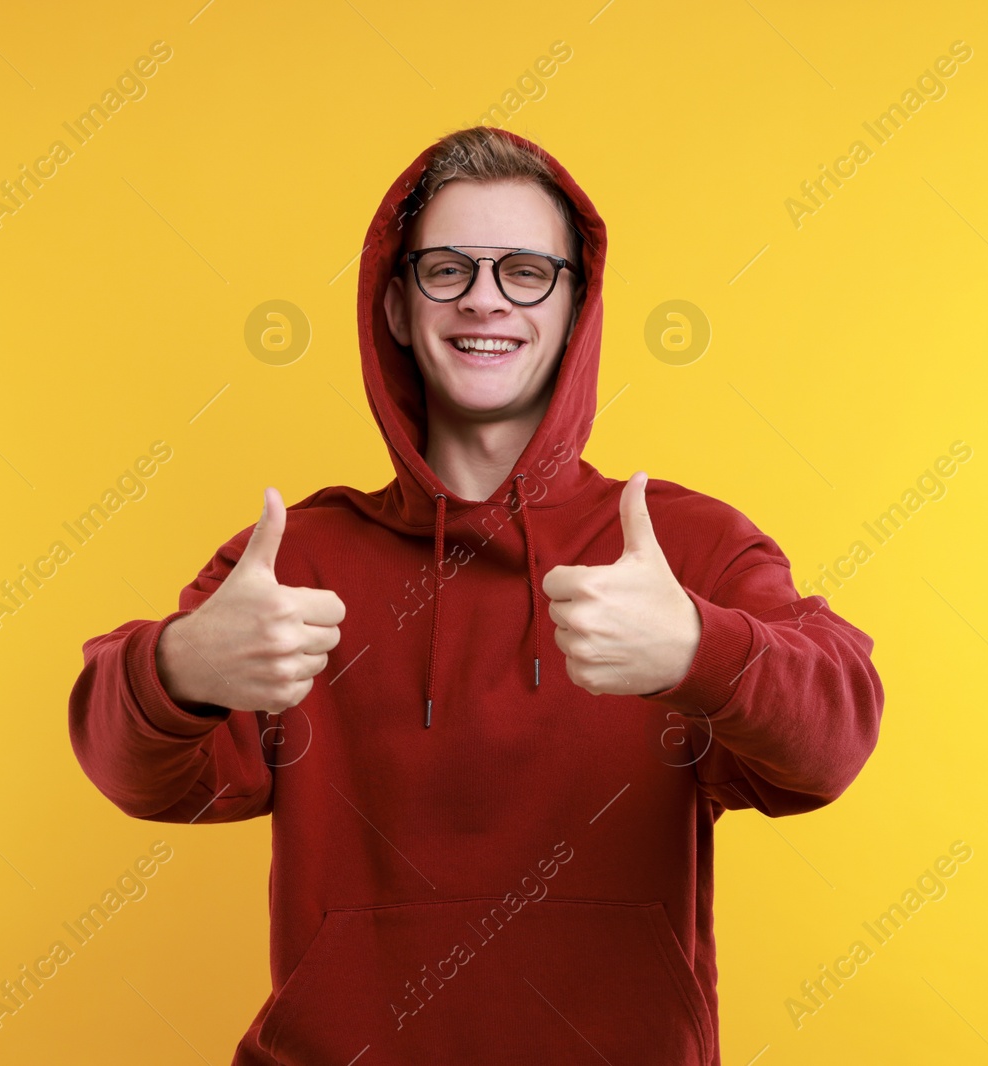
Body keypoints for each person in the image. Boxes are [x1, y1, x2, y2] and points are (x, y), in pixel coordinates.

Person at [68, 126, 884, 1065]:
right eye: (447, 269)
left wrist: (701, 650)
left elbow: (833, 742)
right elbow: (131, 769)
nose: (485, 297)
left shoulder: (678, 550)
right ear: (398, 307)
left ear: (576, 308)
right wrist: (179, 667)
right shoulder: (295, 561)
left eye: (527, 271)